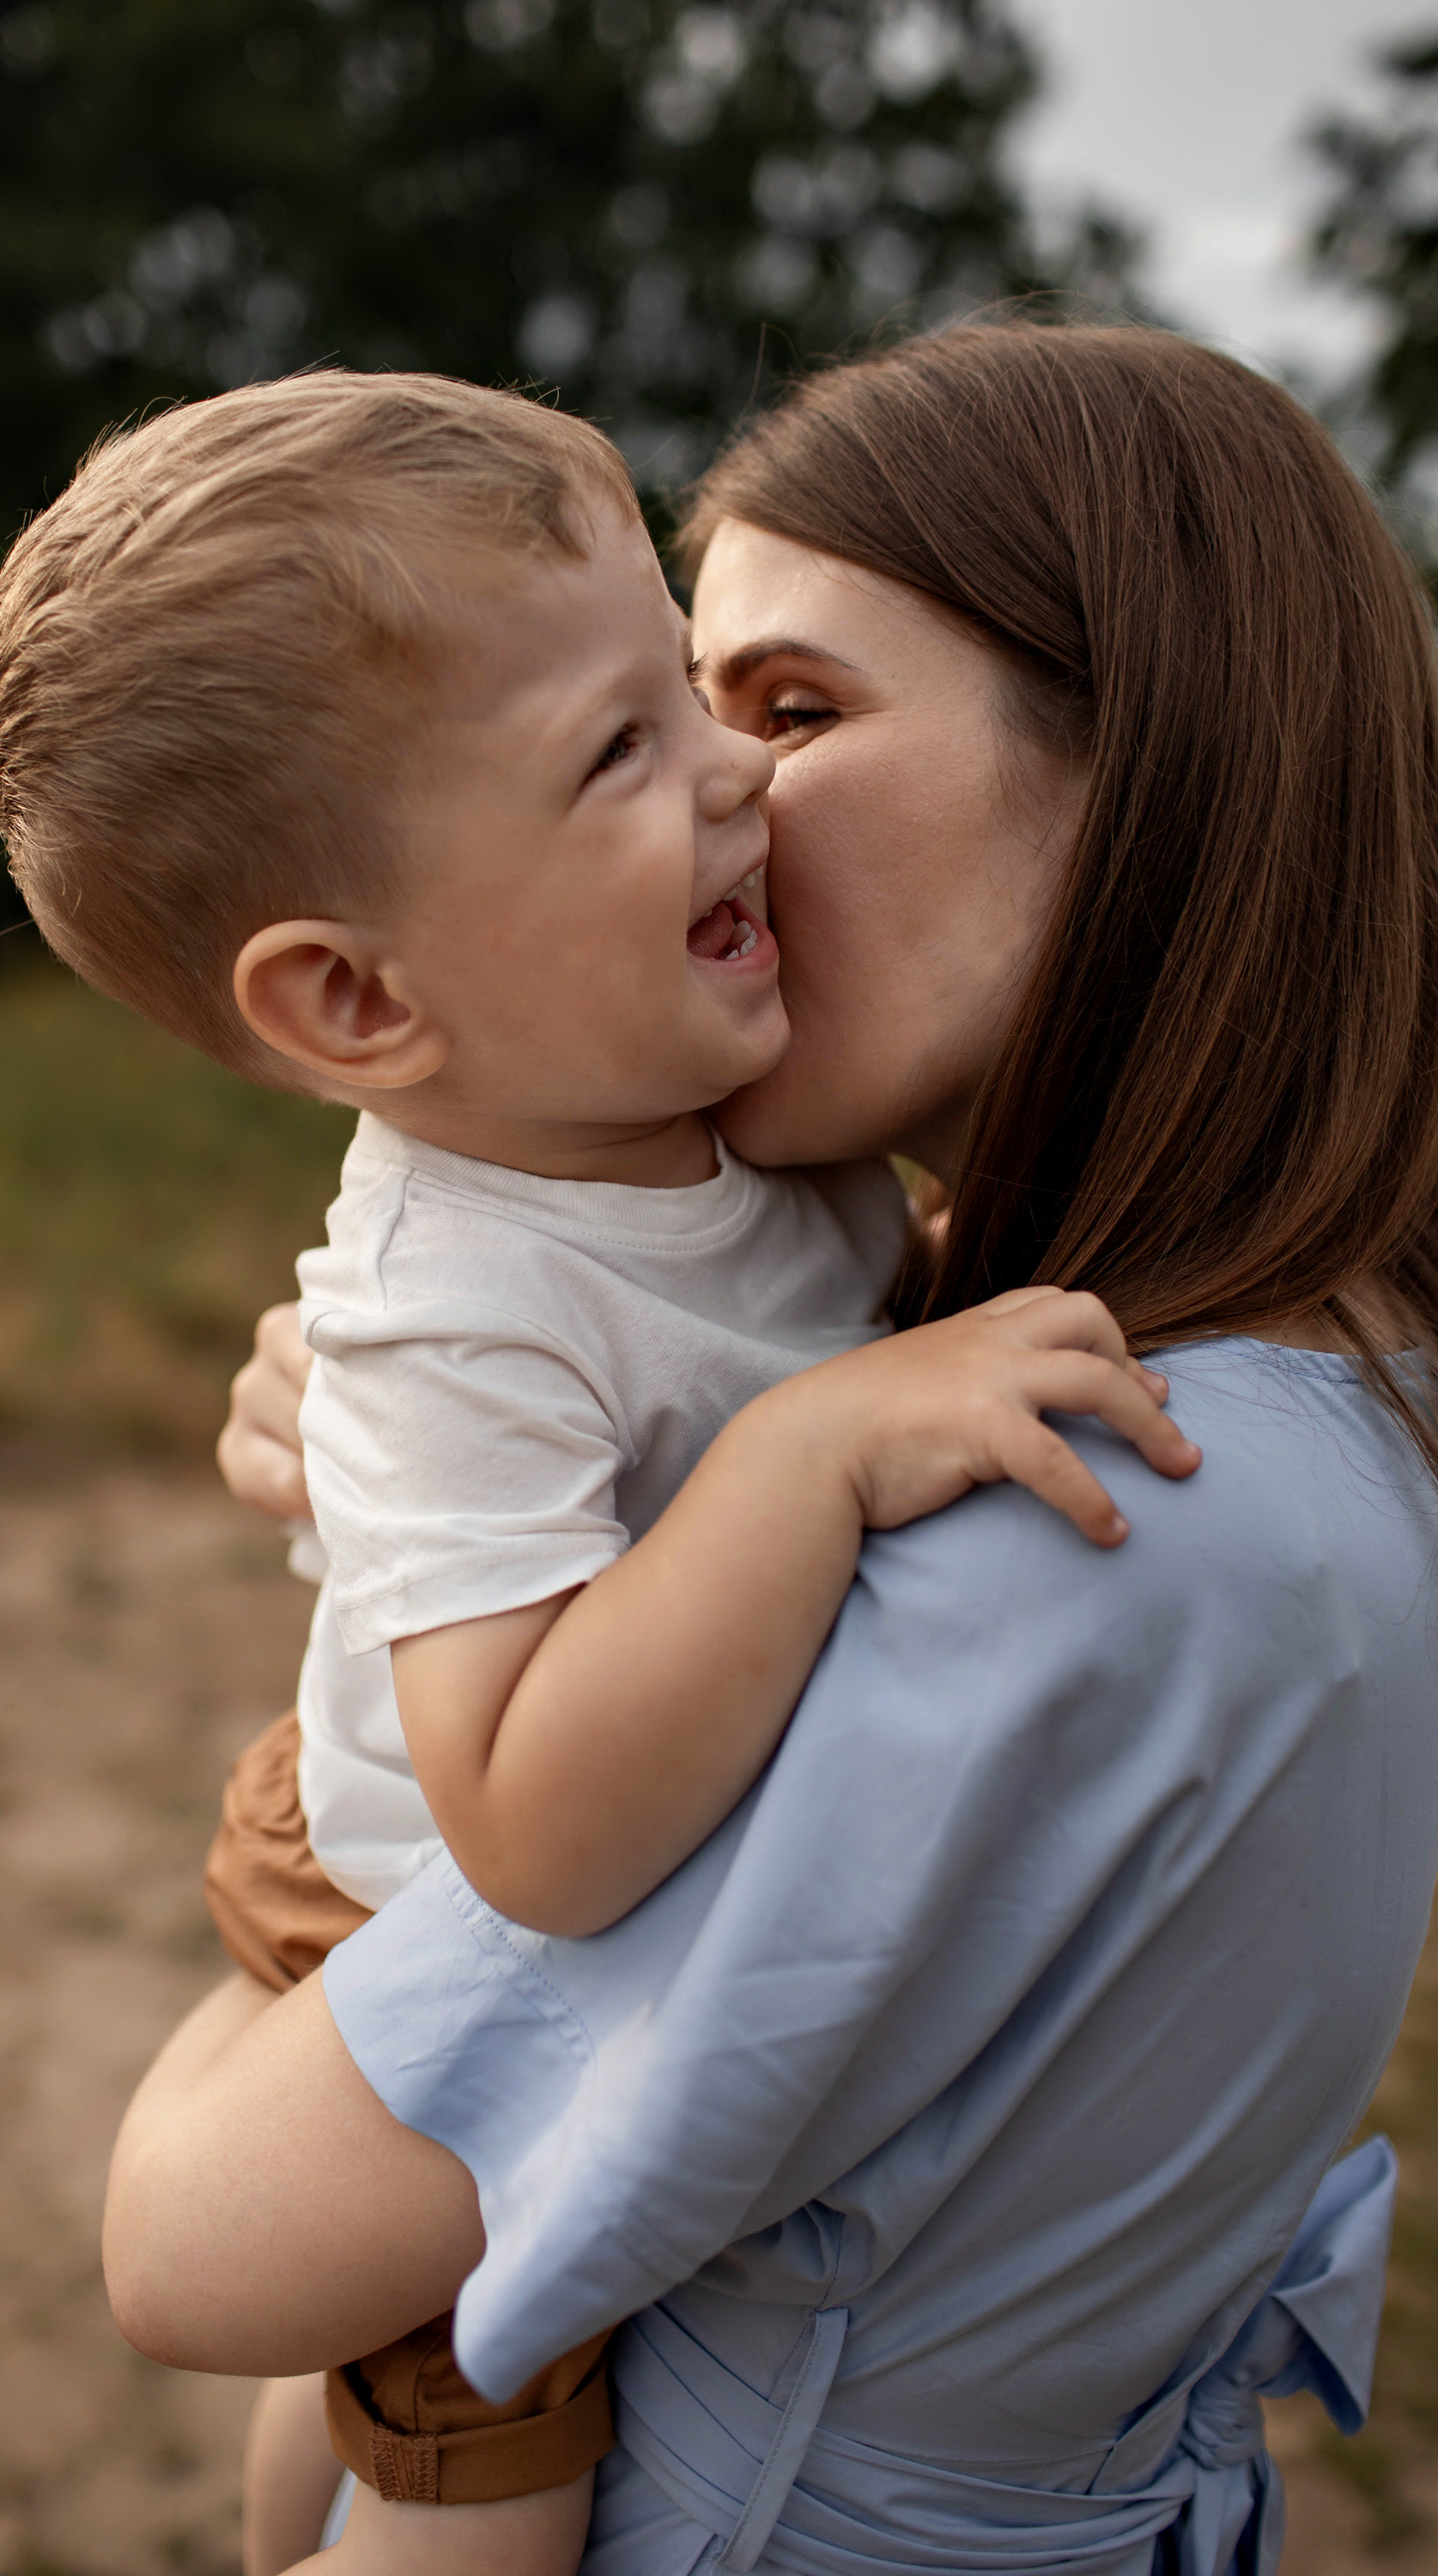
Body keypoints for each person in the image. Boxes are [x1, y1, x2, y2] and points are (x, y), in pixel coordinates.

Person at [105, 321, 1438, 2576]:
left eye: (790, 710)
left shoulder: (1092, 1515)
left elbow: (197, 2247)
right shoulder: (1294, 1359)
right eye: (664, 716)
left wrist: (262, 1939)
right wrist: (434, 1482)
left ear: (1161, 769)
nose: (717, 788)